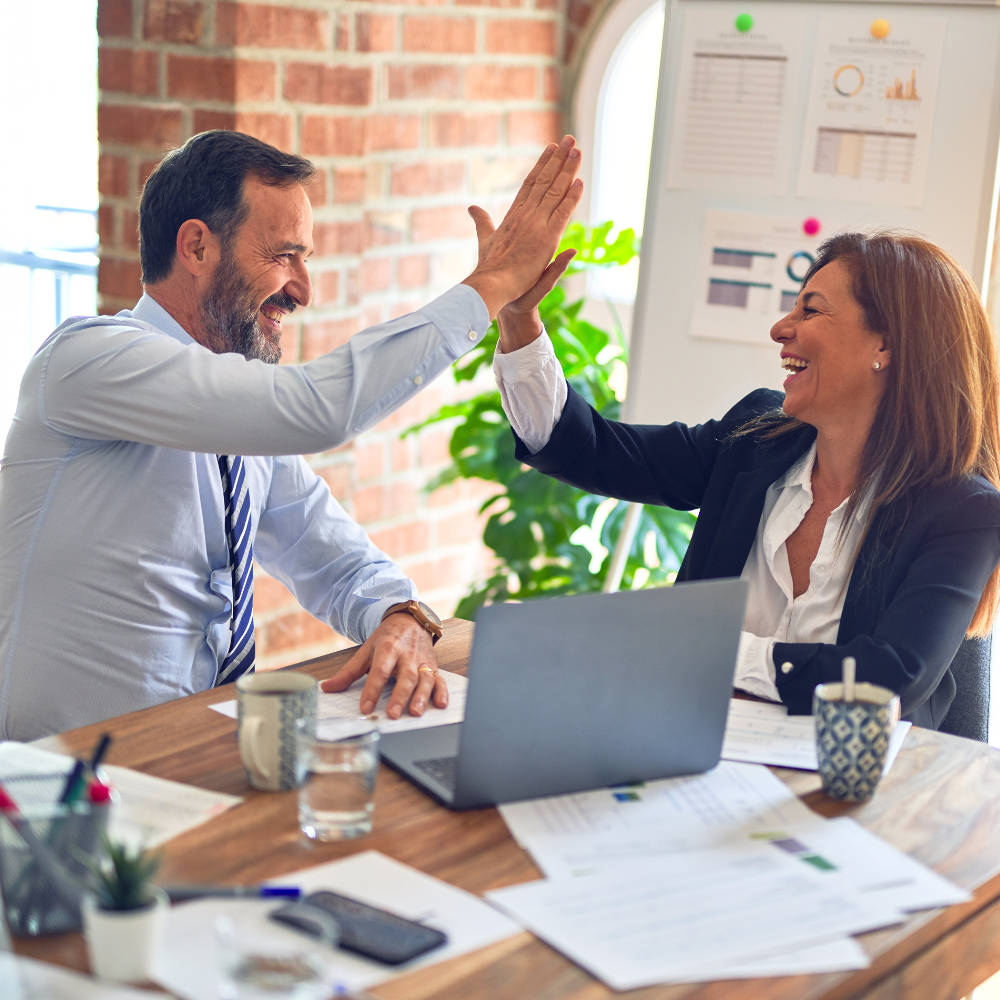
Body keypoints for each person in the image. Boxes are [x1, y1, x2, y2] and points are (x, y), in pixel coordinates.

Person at [0, 129, 582, 741]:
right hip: (54, 786)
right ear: (196, 247)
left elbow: (333, 556)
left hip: (194, 759)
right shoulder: (88, 360)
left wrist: (399, 613)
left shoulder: (237, 420)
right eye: (284, 256)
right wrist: (490, 287)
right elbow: (317, 409)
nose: (304, 289)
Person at [493, 230, 1000, 728]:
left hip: (861, 790)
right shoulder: (755, 438)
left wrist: (710, 653)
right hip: (700, 752)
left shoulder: (963, 511)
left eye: (811, 309)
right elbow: (592, 450)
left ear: (885, 345)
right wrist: (519, 320)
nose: (782, 328)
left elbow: (888, 679)